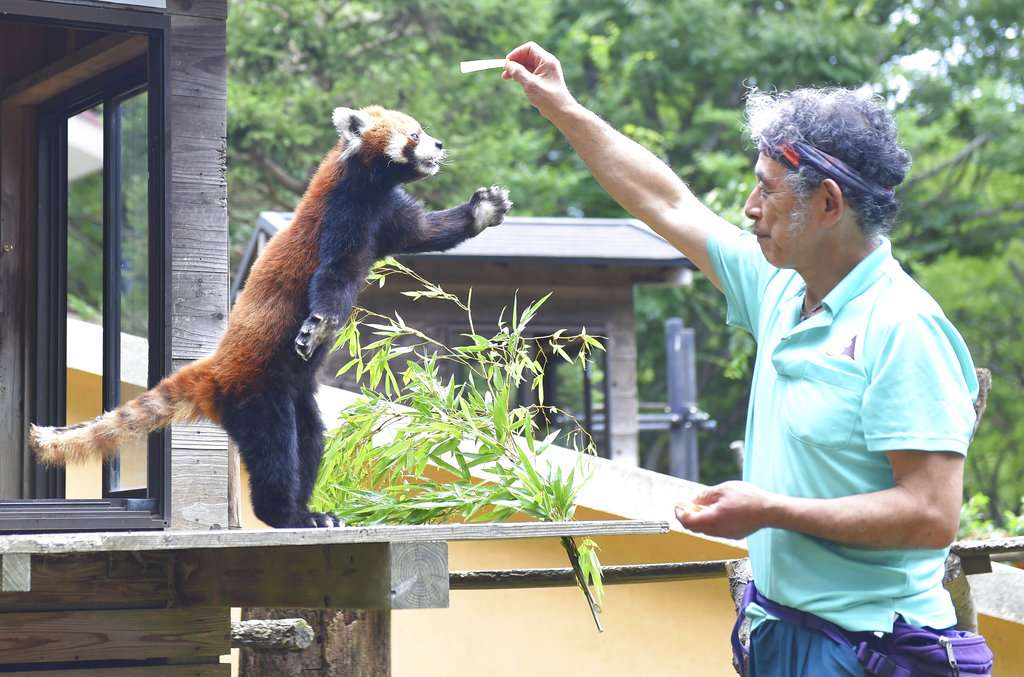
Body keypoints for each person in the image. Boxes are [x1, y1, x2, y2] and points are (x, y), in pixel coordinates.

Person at [502, 42, 985, 675]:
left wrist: (770, 511)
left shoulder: (904, 327)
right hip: (779, 630)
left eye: (766, 191)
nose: (749, 210)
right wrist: (565, 110)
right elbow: (668, 203)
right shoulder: (781, 285)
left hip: (868, 650)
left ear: (829, 205)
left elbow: (929, 514)